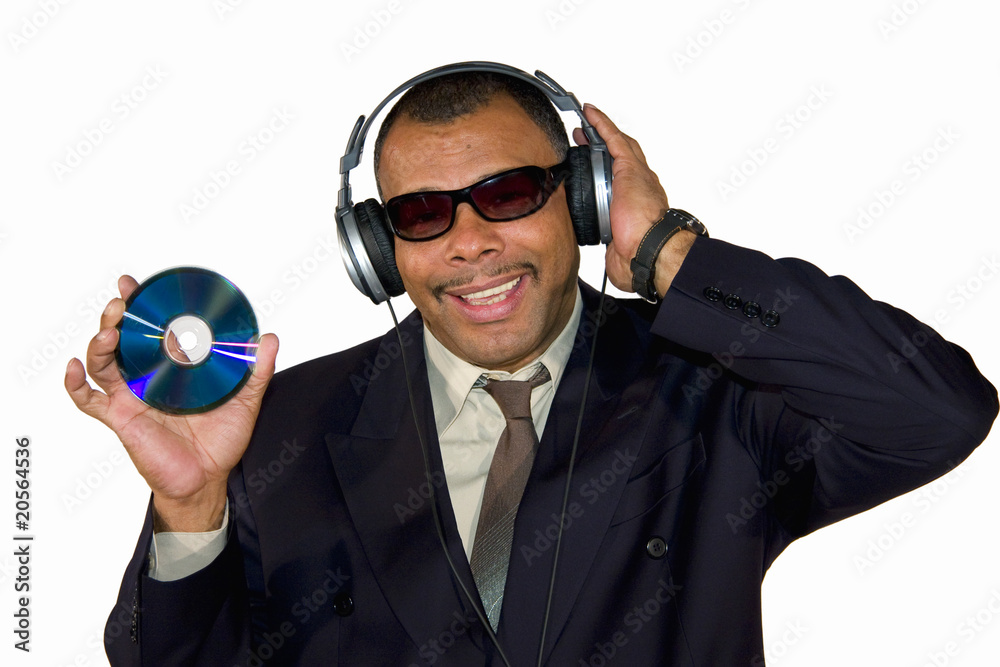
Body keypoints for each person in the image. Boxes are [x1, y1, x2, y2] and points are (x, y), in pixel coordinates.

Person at [66, 66, 997, 666]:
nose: (469, 241)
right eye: (422, 213)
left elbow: (937, 411)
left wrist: (671, 254)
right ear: (379, 249)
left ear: (583, 200)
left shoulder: (718, 389)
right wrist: (192, 509)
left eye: (508, 194)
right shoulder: (282, 424)